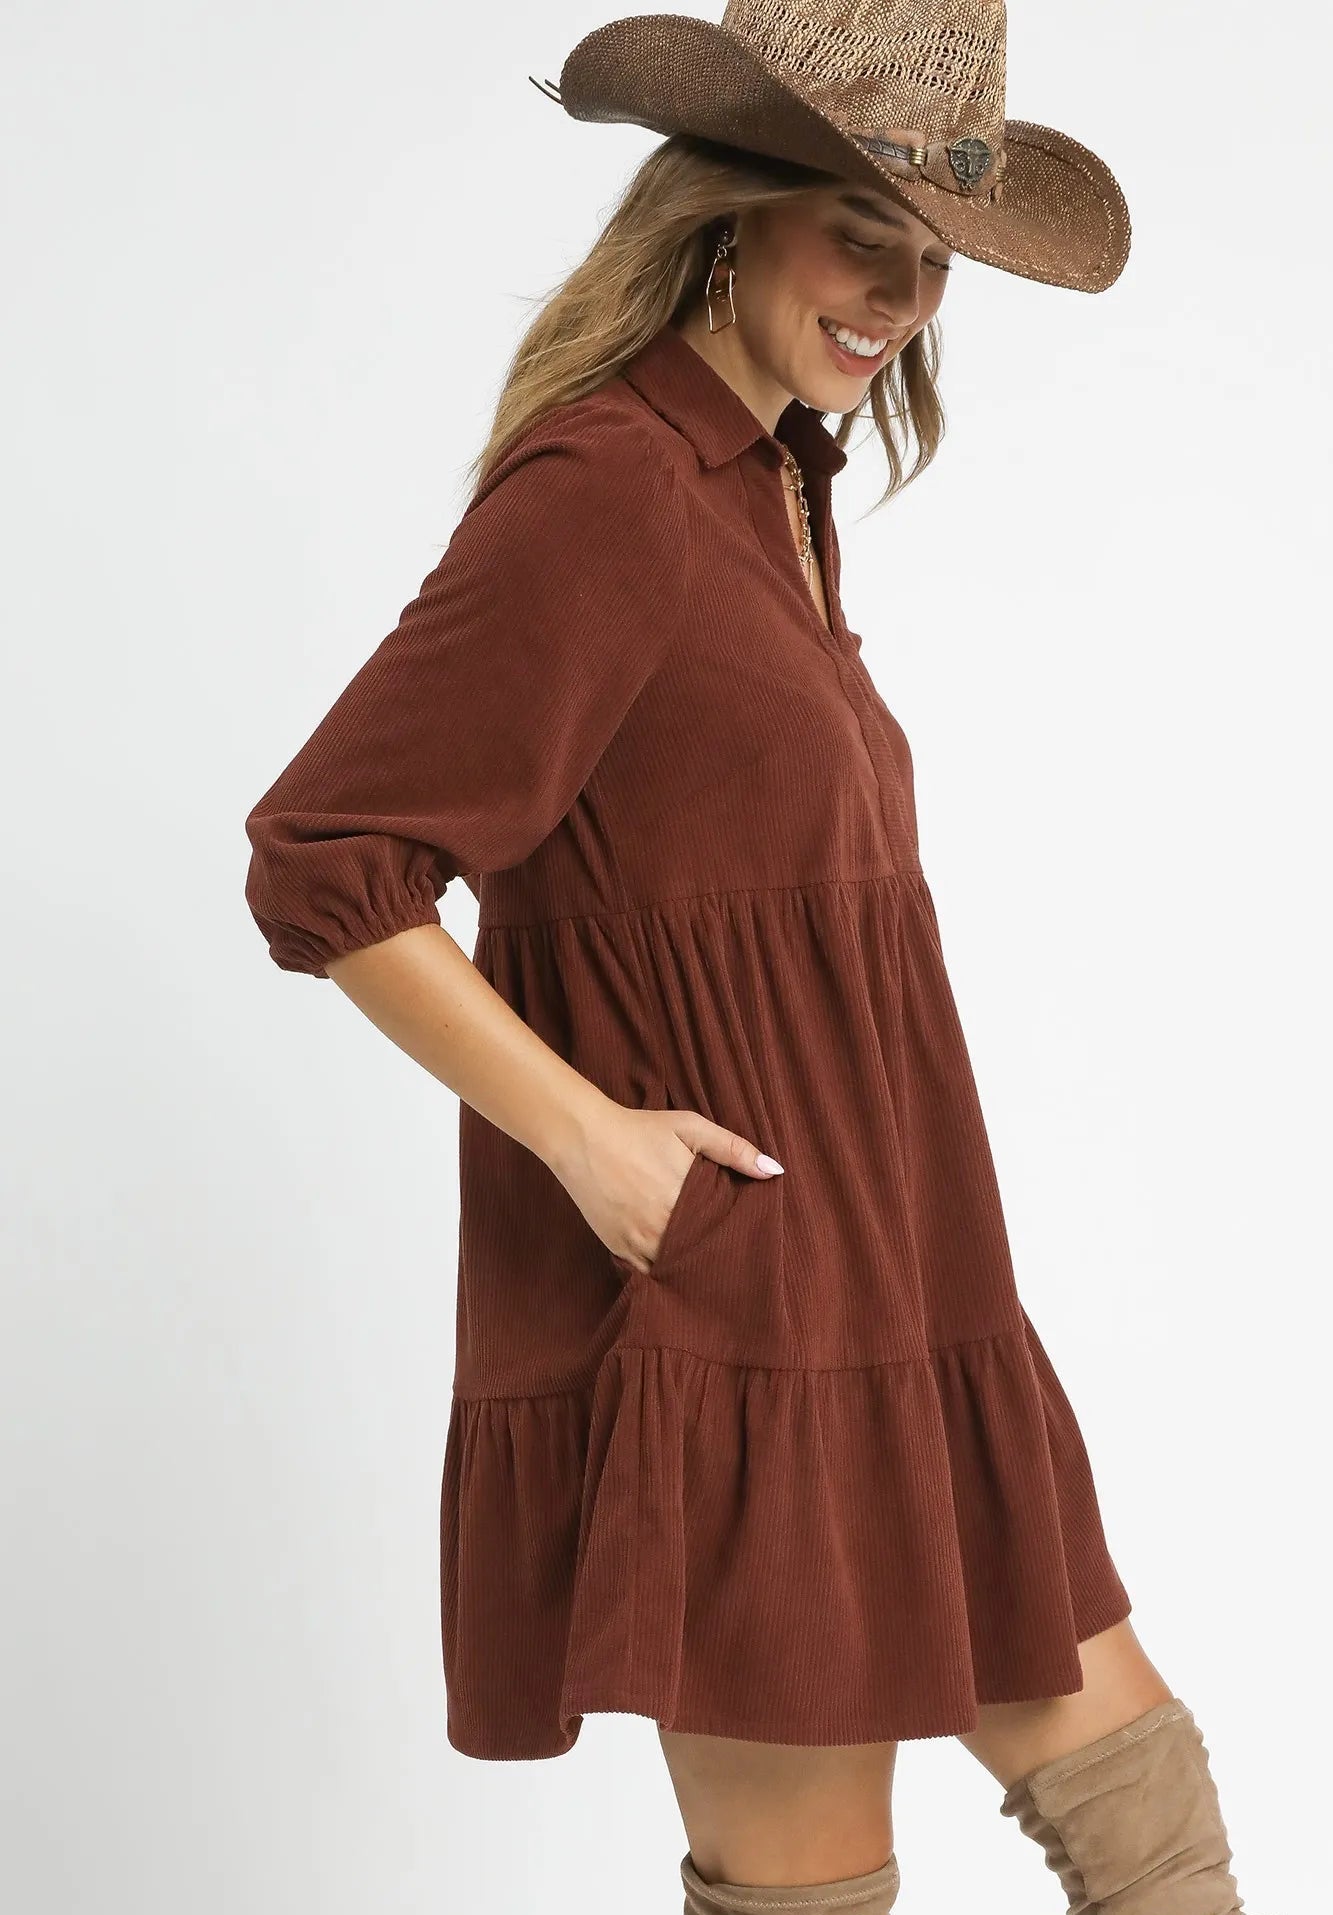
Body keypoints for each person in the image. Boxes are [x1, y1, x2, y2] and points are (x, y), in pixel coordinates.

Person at [242, 2, 1248, 1910]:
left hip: (908, 1274)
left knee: (1143, 1804)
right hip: (745, 1309)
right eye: (855, 231)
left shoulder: (773, 483)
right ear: (723, 214)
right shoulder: (607, 486)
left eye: (932, 257)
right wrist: (594, 1143)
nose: (896, 294)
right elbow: (326, 862)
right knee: (814, 1885)